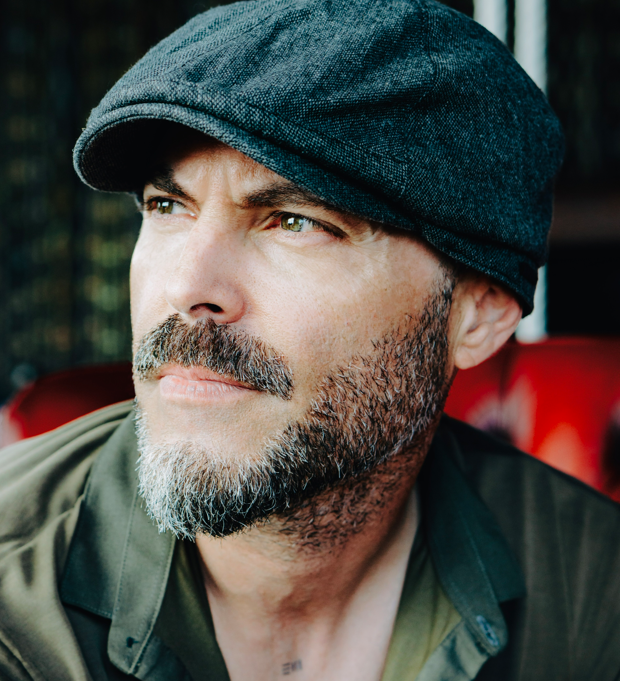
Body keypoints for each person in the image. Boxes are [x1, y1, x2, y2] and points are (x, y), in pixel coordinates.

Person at [1, 0, 619, 679]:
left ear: (477, 316)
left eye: (295, 221)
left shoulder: (595, 595)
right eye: (167, 205)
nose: (187, 288)